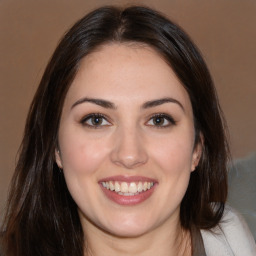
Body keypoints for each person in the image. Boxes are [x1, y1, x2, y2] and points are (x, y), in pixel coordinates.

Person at [1, 5, 255, 256]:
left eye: (158, 120)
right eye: (97, 120)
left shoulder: (234, 240)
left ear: (197, 148)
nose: (129, 154)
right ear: (55, 145)